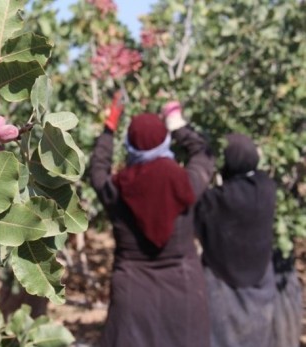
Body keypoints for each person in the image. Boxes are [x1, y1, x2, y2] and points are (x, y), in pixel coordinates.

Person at [89, 95, 214, 347]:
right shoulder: (186, 182)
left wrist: (108, 128)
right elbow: (204, 154)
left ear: (130, 146)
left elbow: (97, 169)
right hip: (184, 288)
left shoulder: (116, 188)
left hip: (132, 291)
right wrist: (177, 123)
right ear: (165, 140)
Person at [194, 133, 278, 347]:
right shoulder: (267, 188)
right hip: (261, 280)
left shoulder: (217, 199)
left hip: (221, 282)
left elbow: (196, 204)